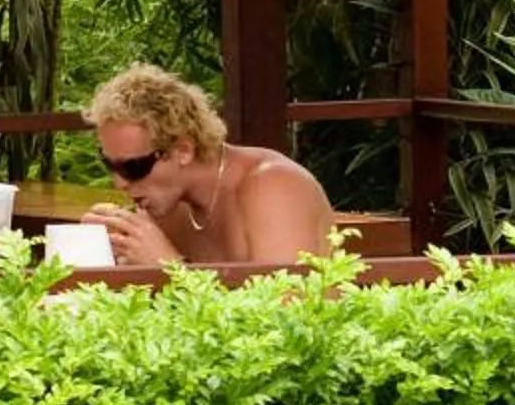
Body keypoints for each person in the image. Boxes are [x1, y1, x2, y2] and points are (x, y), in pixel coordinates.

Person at [85, 63, 337, 266]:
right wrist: (113, 254)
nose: (119, 182)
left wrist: (172, 269)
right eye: (111, 165)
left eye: (134, 168)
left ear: (183, 150)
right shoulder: (169, 205)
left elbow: (288, 313)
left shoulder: (275, 187)